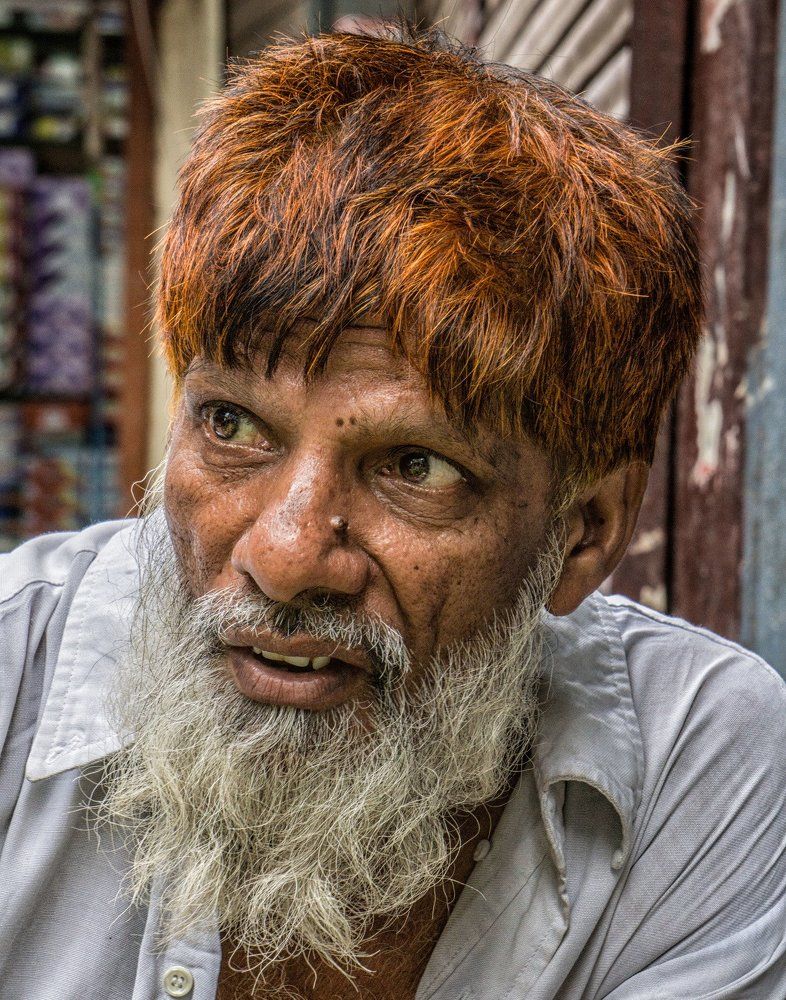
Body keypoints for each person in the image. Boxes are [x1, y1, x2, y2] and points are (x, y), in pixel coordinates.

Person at [1, 26, 784, 1000]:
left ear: (585, 532)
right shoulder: (14, 672)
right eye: (232, 424)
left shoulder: (695, 761)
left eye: (417, 466)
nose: (287, 555)